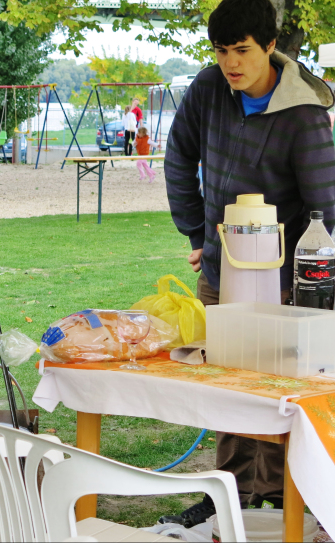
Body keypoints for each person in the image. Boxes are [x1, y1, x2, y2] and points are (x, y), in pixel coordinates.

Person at [162, 0, 335, 528]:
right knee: (228, 388)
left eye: (242, 51)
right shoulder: (208, 88)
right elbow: (178, 155)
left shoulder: (304, 113)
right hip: (221, 267)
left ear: (269, 47)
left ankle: (289, 500)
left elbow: (326, 206)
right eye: (221, 51)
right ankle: (228, 498)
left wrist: (307, 283)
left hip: (287, 282)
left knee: (283, 393)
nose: (231, 63)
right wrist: (196, 230)